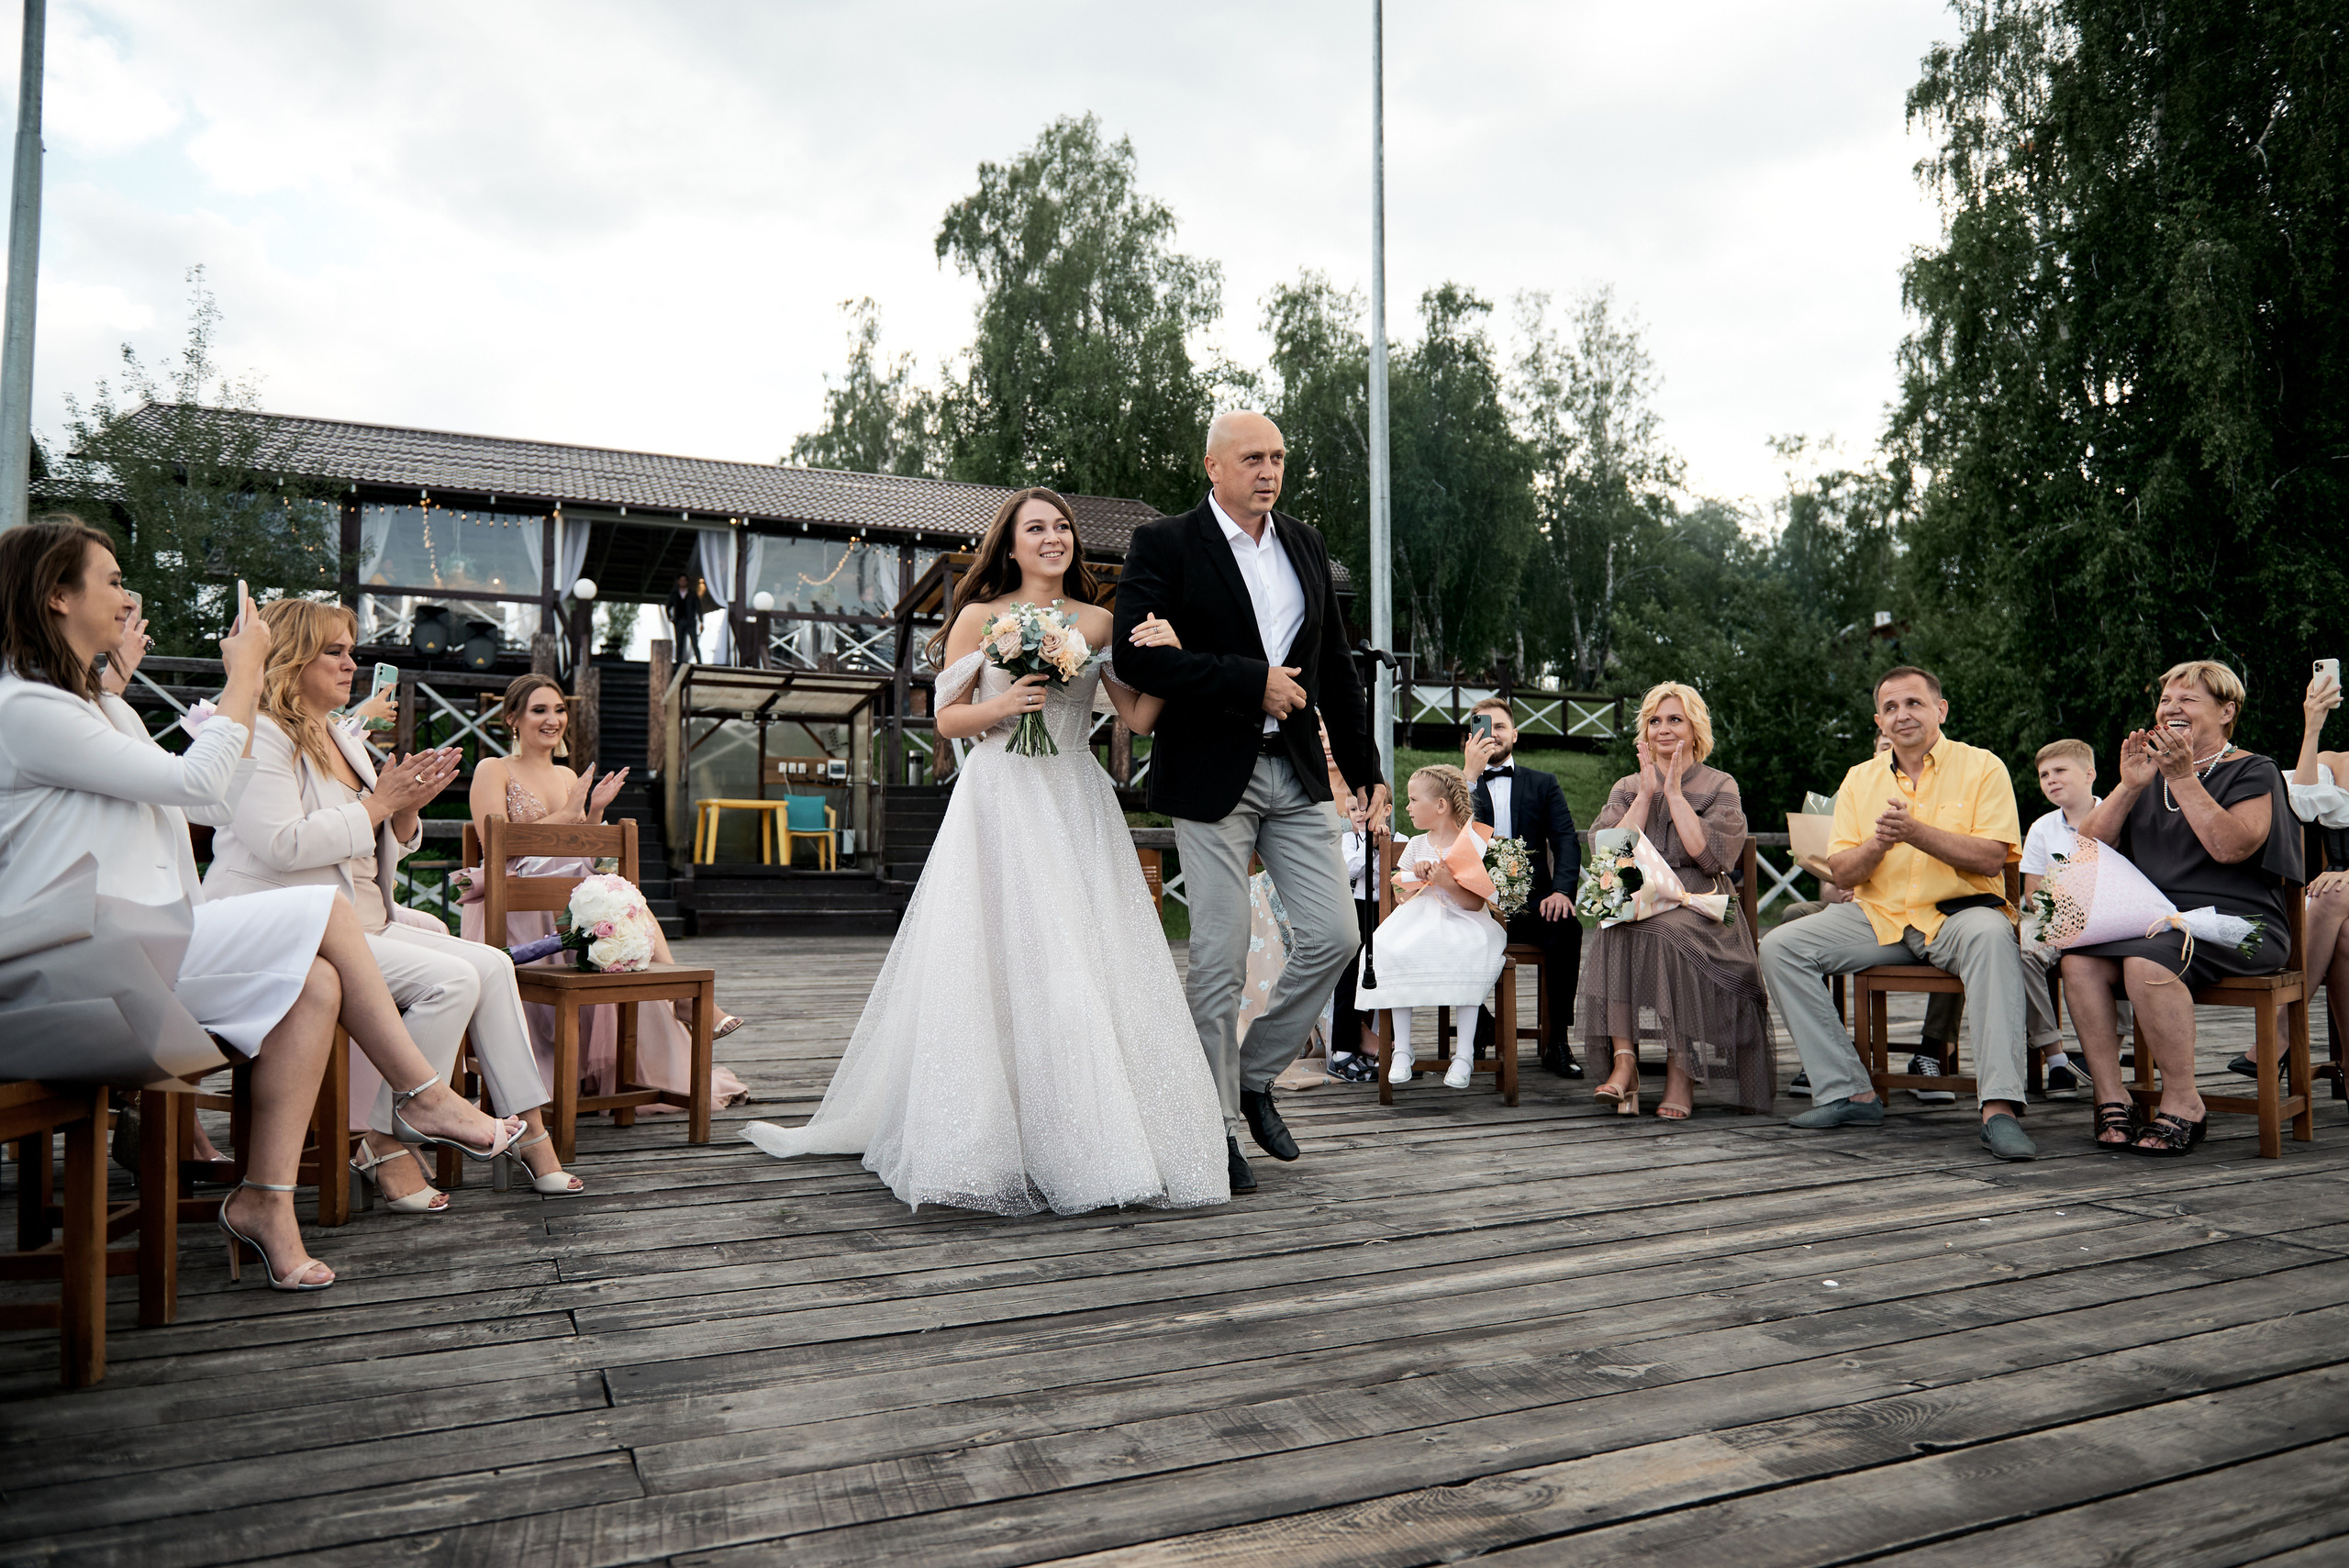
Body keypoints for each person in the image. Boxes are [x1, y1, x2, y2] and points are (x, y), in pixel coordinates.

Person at [0, 517, 520, 1292]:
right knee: (322, 914)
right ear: (54, 594)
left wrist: (113, 684)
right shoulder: (24, 706)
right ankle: (424, 1093)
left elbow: (164, 800)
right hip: (65, 971)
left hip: (134, 947)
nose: (127, 594)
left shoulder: (94, 707)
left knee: (317, 982)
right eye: (111, 579)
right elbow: (198, 788)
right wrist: (244, 673)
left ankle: (265, 1198)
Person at [740, 486, 1229, 1215]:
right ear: (1011, 543)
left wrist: (1171, 658)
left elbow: (1139, 716)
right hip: (999, 796)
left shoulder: (1100, 619)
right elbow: (946, 719)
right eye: (1037, 527)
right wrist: (1003, 706)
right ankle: (993, 1139)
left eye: (1062, 526)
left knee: (1077, 963)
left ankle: (1091, 1146)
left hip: (1073, 795)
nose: (1054, 537)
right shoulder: (978, 616)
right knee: (999, 957)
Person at [202, 600, 584, 1206]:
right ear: (290, 658)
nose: (352, 663)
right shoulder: (262, 735)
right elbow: (282, 846)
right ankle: (385, 1135)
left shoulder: (340, 738)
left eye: (351, 650)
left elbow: (368, 859)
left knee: (493, 963)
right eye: (335, 651)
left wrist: (404, 812)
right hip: (286, 929)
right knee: (453, 981)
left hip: (363, 920)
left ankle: (528, 1129)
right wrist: (379, 806)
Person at [1113, 411, 1387, 1192]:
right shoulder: (1164, 544)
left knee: (1336, 934)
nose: (1268, 470)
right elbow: (1136, 655)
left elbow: (1333, 665)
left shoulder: (1303, 542)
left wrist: (1363, 765)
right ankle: (1215, 1126)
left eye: (1277, 457)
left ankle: (1253, 1073)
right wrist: (1246, 678)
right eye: (1252, 458)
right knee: (1221, 955)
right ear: (1213, 466)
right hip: (1209, 773)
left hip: (1297, 771)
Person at [1757, 665, 2038, 1162]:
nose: (1902, 714)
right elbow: (1842, 873)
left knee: (1995, 937)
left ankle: (1999, 1109)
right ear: (1878, 721)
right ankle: (1850, 1092)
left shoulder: (1983, 767)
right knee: (1781, 946)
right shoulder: (1858, 779)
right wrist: (1881, 842)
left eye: (1913, 703)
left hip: (1958, 913)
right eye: (1890, 708)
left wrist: (1916, 832)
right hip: (1879, 914)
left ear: (1940, 710)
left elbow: (1993, 857)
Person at [464, 673, 750, 1113]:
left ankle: (673, 993)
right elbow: (497, 845)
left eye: (559, 710)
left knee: (616, 891)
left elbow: (582, 841)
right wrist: (568, 813)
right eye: (540, 710)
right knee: (608, 892)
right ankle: (677, 996)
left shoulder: (565, 773)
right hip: (515, 896)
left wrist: (595, 810)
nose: (553, 719)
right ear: (512, 719)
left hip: (569, 892)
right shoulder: (493, 769)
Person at [2063, 661, 2299, 1155]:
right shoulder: (2148, 775)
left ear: (2227, 711)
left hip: (2240, 927)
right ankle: (2112, 1096)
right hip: (2151, 921)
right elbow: (2090, 848)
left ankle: (2184, 1101)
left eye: (2188, 700)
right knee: (2079, 961)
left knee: (2148, 958)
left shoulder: (2255, 770)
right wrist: (2129, 786)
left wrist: (2183, 778)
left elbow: (2231, 848)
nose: (2172, 708)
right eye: (2167, 700)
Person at [1579, 684, 1772, 1118]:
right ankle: (1625, 1061)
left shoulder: (1720, 784)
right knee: (1613, 922)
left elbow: (1710, 856)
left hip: (1697, 901)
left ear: (1694, 727)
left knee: (1668, 932)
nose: (1663, 729)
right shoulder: (1628, 786)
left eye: (1674, 719)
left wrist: (1675, 793)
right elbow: (1610, 854)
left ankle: (1681, 1067)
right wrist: (1646, 794)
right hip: (1641, 895)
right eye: (1654, 721)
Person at [1783, 730, 1965, 1102]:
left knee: (1961, 927)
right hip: (1852, 902)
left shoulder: (1944, 794)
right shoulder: (1853, 792)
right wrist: (1843, 885)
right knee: (1793, 915)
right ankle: (1827, 1048)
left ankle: (1930, 1050)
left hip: (1917, 905)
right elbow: (1829, 879)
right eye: (1884, 747)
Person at [1353, 765, 1507, 1087]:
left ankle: (1463, 1054)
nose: (1406, 807)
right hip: (1419, 920)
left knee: (1470, 950)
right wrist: (1419, 877)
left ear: (1440, 805)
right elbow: (1400, 896)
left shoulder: (1472, 843)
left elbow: (1475, 903)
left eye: (1412, 800)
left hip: (1463, 920)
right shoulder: (1416, 845)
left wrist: (1447, 882)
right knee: (1390, 947)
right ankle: (1402, 1049)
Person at [1463, 697, 1585, 1077]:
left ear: (1514, 734)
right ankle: (1482, 1021)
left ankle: (1558, 1040)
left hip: (1532, 906)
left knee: (1567, 928)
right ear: (1470, 737)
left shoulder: (1543, 783)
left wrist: (1562, 891)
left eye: (1500, 727)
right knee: (1444, 933)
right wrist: (1468, 775)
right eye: (1484, 727)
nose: (1493, 734)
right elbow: (1447, 839)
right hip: (1472, 906)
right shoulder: (1454, 783)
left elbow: (1566, 840)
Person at [2019, 738, 2119, 1092]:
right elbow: (2032, 890)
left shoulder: (2119, 813)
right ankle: (2056, 1057)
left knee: (2127, 948)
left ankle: (2108, 1053)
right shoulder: (2042, 827)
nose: (2051, 780)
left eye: (2060, 770)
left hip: (2109, 916)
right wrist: (2056, 907)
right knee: (2023, 950)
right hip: (2056, 916)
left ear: (2090, 773)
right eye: (2044, 775)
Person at [2285, 667, 2347, 1089]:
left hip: (2339, 891)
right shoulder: (2333, 762)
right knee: (2344, 936)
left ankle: (2281, 1029)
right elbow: (2303, 807)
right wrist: (2313, 727)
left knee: (2331, 896)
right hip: (2342, 897)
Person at [666, 573, 703, 665]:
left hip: (690, 621)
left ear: (687, 582)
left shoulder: (692, 594)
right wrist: (671, 618)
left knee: (694, 642)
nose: (682, 582)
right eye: (681, 580)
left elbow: (698, 607)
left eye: (684, 580)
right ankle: (678, 661)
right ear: (678, 582)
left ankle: (699, 662)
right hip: (679, 621)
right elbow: (668, 607)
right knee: (679, 642)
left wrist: (701, 621)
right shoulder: (674, 594)